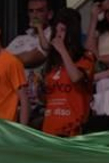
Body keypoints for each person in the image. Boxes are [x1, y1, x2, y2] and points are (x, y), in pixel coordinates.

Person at [40, 7, 95, 137]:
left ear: (72, 33)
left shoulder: (86, 57)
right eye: (56, 30)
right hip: (49, 130)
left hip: (73, 130)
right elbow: (46, 98)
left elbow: (76, 77)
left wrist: (63, 51)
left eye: (63, 30)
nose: (58, 35)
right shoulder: (52, 62)